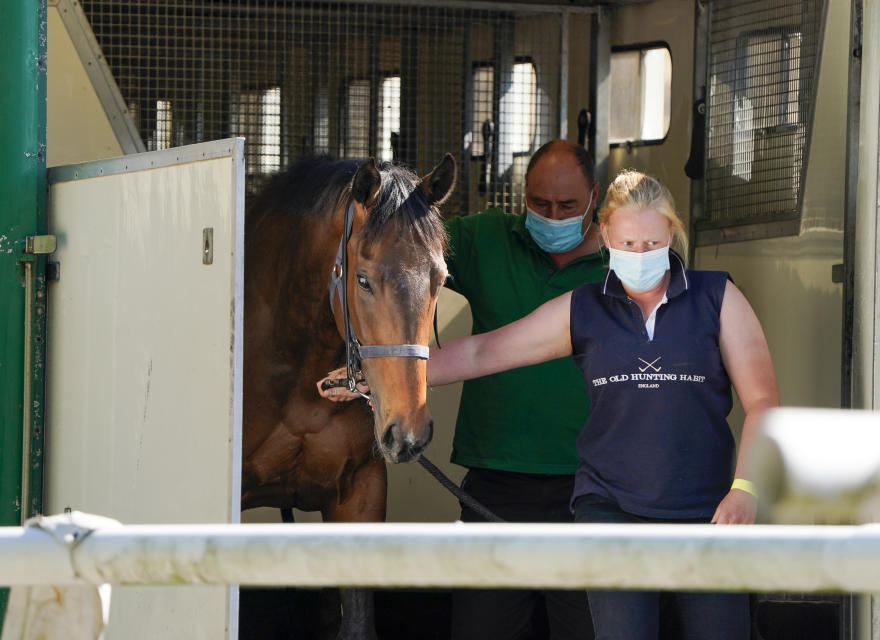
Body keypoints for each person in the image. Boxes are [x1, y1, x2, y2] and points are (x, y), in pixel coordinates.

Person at [320, 170, 779, 639]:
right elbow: (482, 353)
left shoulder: (718, 299)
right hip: (611, 509)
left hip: (709, 511)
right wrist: (372, 375)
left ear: (671, 234)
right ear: (603, 237)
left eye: (651, 244)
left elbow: (763, 402)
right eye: (628, 243)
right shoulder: (583, 308)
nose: (640, 256)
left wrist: (745, 489)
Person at [330, 139, 606, 640]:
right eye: (539, 204)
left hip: (592, 489)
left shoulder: (627, 261)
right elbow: (400, 254)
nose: (552, 216)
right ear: (523, 197)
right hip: (495, 486)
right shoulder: (487, 238)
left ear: (595, 199)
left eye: (567, 206)